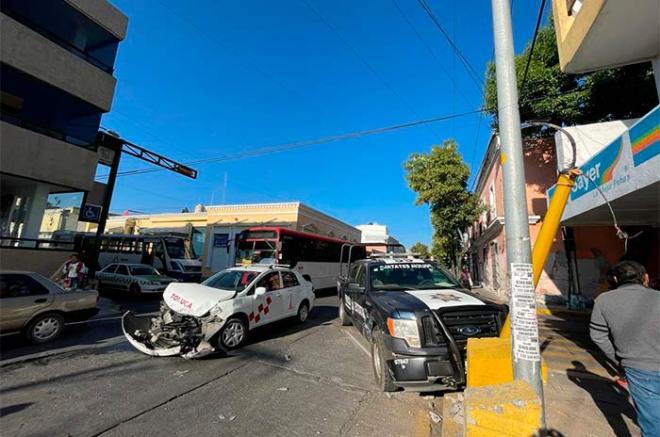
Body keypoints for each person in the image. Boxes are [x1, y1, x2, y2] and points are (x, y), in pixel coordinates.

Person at [590, 261, 660, 436]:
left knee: (652, 421)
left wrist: (617, 359)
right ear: (646, 278)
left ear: (615, 279)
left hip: (639, 368)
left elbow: (597, 335)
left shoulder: (603, 300)